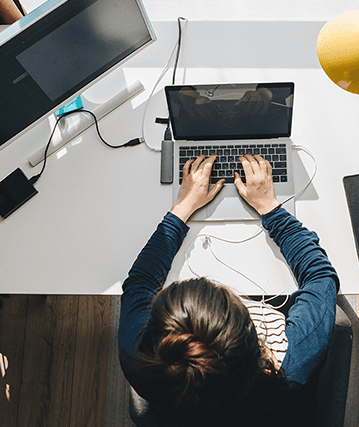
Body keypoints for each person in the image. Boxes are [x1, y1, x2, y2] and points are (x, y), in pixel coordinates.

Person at [118, 153, 339, 427]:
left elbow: (140, 282)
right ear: (254, 333)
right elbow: (320, 276)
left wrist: (183, 207)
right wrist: (271, 209)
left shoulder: (136, 356)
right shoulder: (292, 364)